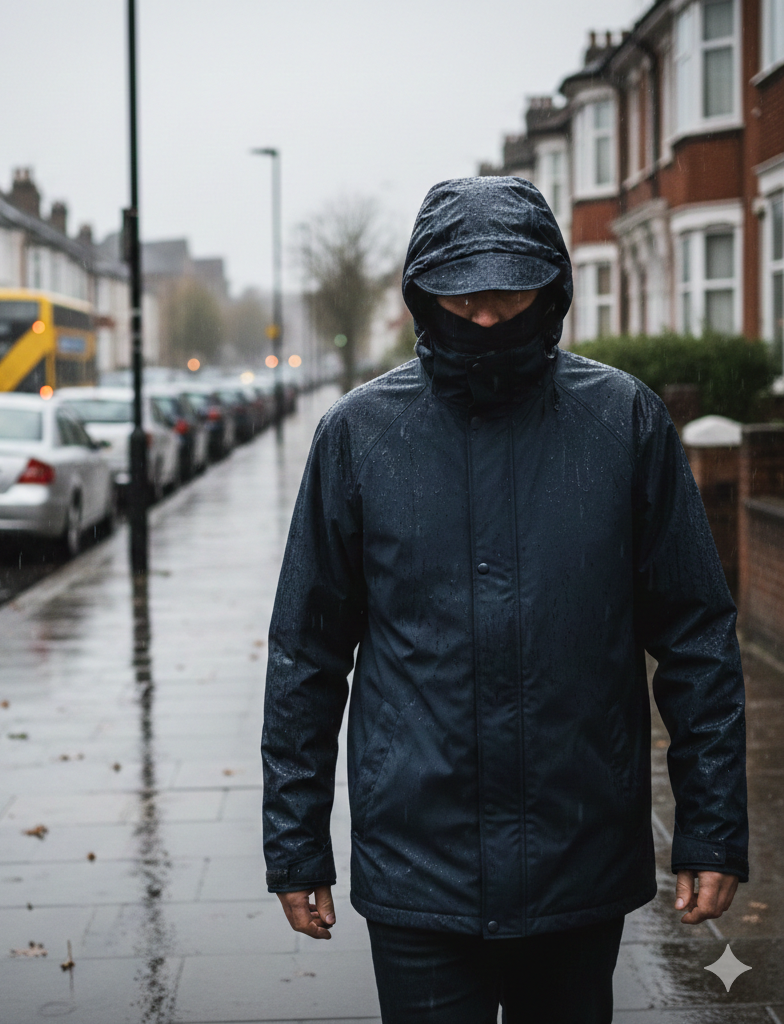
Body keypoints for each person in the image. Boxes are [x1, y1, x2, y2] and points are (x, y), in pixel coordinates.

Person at [261, 176, 747, 1023]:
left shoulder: (623, 424)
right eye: (465, 295)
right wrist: (296, 846)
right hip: (418, 865)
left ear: (551, 288)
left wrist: (711, 825)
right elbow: (306, 652)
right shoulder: (358, 436)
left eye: (509, 293)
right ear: (424, 292)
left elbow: (697, 634)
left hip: (578, 860)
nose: (487, 318)